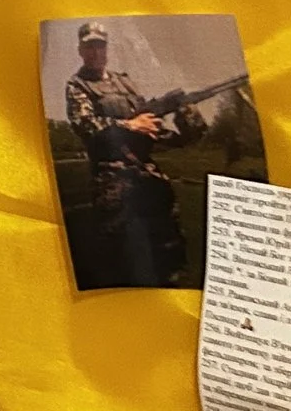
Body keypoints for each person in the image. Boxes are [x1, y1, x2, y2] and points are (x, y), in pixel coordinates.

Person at [63, 21, 197, 287]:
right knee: (121, 256)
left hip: (148, 177)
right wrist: (130, 125)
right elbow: (85, 124)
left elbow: (149, 126)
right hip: (113, 181)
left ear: (106, 49)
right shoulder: (77, 86)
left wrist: (182, 117)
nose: (95, 52)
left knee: (167, 251)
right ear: (80, 49)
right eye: (89, 46)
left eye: (100, 46)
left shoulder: (126, 83)